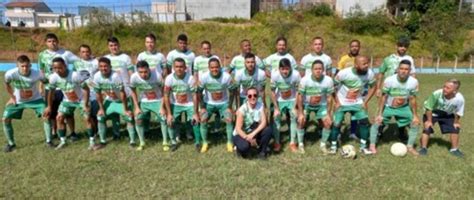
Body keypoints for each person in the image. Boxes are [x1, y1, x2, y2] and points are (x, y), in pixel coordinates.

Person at [368, 60, 420, 155]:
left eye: (406, 69)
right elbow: (384, 97)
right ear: (397, 69)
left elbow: (413, 99)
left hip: (403, 108)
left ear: (409, 71)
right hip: (388, 107)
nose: (403, 71)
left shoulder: (414, 82)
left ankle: (410, 146)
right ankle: (372, 145)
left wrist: (415, 115)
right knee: (377, 122)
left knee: (415, 123)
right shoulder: (389, 80)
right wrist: (379, 113)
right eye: (401, 68)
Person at [3, 55, 52, 152]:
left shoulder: (37, 74)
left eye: (27, 66)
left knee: (46, 115)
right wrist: (12, 98)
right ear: (17, 66)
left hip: (36, 100)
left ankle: (49, 142)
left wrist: (45, 92)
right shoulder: (10, 74)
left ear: (30, 65)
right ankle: (11, 144)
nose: (25, 68)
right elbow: (7, 84)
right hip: (19, 100)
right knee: (5, 119)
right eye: (22, 66)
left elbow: (47, 83)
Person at [331, 56, 376, 155]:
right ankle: (333, 147)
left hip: (358, 102)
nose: (366, 65)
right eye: (363, 64)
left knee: (364, 122)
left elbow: (373, 87)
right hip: (342, 102)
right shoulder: (344, 73)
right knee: (336, 124)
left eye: (367, 63)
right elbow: (332, 86)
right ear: (356, 65)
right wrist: (337, 102)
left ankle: (363, 147)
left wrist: (365, 102)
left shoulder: (369, 73)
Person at [38, 33, 79, 140]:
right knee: (51, 111)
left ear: (58, 41)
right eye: (49, 41)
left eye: (54, 41)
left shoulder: (65, 53)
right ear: (46, 43)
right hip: (49, 88)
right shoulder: (42, 55)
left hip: (64, 88)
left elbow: (78, 61)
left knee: (68, 111)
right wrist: (41, 86)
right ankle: (54, 132)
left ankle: (73, 133)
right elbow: (41, 71)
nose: (52, 43)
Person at [44, 58, 92, 150]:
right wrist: (49, 107)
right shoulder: (53, 77)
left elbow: (86, 89)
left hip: (81, 100)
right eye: (55, 68)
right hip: (67, 101)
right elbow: (51, 93)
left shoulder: (75, 75)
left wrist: (85, 104)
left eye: (60, 67)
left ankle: (92, 142)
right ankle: (63, 141)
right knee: (59, 117)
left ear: (65, 66)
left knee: (87, 118)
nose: (58, 70)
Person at [92, 57, 137, 150]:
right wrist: (101, 109)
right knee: (100, 116)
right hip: (110, 101)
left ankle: (132, 141)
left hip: (121, 101)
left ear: (110, 67)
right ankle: (102, 141)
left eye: (105, 66)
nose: (103, 68)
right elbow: (98, 94)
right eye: (101, 66)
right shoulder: (96, 76)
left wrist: (125, 109)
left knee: (129, 117)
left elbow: (122, 93)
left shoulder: (115, 76)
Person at [418, 79, 465, 158]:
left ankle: (454, 149)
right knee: (427, 128)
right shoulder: (437, 93)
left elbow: (458, 112)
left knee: (455, 128)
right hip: (432, 112)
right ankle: (423, 148)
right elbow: (428, 107)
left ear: (455, 90)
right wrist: (429, 121)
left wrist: (456, 122)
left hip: (447, 114)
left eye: (448, 88)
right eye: (444, 86)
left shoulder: (460, 99)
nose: (444, 89)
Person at [198, 58, 236, 153]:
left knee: (229, 119)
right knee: (203, 119)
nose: (214, 69)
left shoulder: (226, 77)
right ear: (209, 68)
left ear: (220, 67)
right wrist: (202, 107)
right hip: (209, 103)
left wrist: (229, 107)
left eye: (216, 67)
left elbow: (232, 92)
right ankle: (205, 142)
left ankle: (229, 142)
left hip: (224, 103)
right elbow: (198, 92)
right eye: (212, 67)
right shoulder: (204, 77)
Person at [296, 60, 334, 154]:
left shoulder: (328, 80)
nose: (318, 71)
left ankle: (323, 145)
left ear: (323, 70)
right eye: (316, 69)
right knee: (301, 121)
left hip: (321, 105)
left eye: (320, 69)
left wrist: (329, 114)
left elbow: (329, 98)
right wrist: (300, 113)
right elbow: (300, 96)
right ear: (311, 70)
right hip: (307, 105)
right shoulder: (305, 80)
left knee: (328, 122)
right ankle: (300, 145)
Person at [130, 61, 168, 151]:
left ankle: (165, 142)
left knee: (163, 118)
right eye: (141, 72)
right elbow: (133, 91)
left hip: (158, 100)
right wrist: (136, 107)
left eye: (145, 72)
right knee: (138, 119)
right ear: (137, 71)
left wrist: (162, 107)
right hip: (144, 102)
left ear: (149, 69)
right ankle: (142, 142)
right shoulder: (134, 77)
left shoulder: (157, 76)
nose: (143, 74)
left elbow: (164, 92)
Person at [164, 58, 200, 151]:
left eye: (181, 67)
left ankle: (197, 142)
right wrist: (169, 114)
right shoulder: (169, 78)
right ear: (173, 67)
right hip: (175, 104)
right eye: (176, 67)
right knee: (170, 121)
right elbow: (166, 96)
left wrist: (196, 112)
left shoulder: (190, 78)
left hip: (189, 103)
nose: (179, 69)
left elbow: (194, 95)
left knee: (195, 120)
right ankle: (173, 142)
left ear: (185, 68)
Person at [104, 36, 133, 139]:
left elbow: (131, 73)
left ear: (119, 45)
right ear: (108, 47)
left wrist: (131, 87)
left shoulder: (126, 57)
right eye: (111, 45)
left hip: (125, 90)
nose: (114, 47)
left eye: (115, 45)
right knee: (114, 114)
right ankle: (116, 134)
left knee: (128, 114)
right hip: (111, 92)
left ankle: (131, 137)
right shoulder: (106, 58)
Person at [270, 58, 301, 153]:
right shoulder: (275, 75)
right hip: (279, 100)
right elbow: (272, 92)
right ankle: (277, 142)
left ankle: (292, 142)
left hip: (292, 99)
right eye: (282, 69)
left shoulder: (296, 75)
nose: (285, 71)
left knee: (294, 116)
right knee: (276, 117)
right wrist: (276, 108)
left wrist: (295, 106)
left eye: (287, 69)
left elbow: (298, 91)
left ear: (290, 68)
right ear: (279, 69)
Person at [233, 87, 272, 160]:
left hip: (252, 131)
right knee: (245, 148)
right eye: (250, 96)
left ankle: (262, 152)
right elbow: (238, 129)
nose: (252, 97)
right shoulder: (242, 109)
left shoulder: (260, 105)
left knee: (268, 130)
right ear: (247, 97)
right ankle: (239, 149)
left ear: (257, 96)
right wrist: (247, 138)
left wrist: (252, 135)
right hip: (241, 134)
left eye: (255, 95)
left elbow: (264, 122)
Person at [336, 39, 362, 140]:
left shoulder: (361, 59)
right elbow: (338, 73)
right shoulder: (344, 59)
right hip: (343, 91)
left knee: (354, 113)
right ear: (349, 47)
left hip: (356, 91)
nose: (354, 48)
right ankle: (338, 133)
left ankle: (353, 132)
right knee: (340, 113)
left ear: (359, 47)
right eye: (352, 46)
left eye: (356, 46)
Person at [72, 44, 99, 137]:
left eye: (87, 51)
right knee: (88, 113)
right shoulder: (76, 63)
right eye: (83, 52)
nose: (85, 53)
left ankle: (97, 131)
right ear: (79, 53)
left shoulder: (96, 61)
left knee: (95, 114)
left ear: (90, 52)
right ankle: (93, 132)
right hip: (83, 92)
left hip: (95, 91)